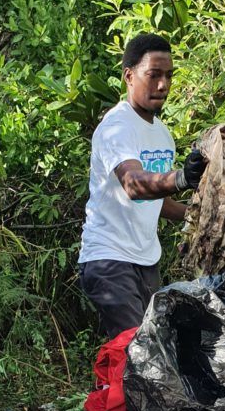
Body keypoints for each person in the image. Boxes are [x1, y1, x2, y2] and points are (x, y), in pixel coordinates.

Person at [78, 33, 206, 337]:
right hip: (108, 259)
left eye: (169, 76)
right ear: (129, 76)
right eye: (154, 75)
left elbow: (154, 200)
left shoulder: (162, 135)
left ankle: (109, 387)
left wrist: (199, 214)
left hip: (146, 260)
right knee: (140, 351)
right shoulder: (116, 127)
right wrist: (181, 178)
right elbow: (135, 185)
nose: (163, 85)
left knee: (146, 352)